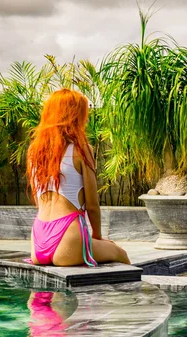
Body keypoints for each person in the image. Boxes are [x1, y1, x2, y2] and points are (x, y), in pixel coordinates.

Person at [27, 88, 130, 266]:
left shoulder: (34, 152)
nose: (86, 118)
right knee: (121, 254)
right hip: (69, 237)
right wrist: (97, 237)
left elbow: (38, 200)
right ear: (73, 115)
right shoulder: (81, 149)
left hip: (38, 239)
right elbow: (92, 204)